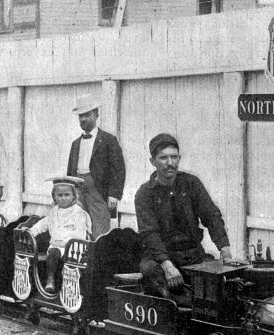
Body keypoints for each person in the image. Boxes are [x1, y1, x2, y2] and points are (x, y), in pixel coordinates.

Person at [134, 133, 231, 298]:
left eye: (174, 157)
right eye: (163, 158)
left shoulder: (192, 184)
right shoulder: (144, 194)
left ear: (179, 158)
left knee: (220, 286)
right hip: (160, 258)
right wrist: (167, 265)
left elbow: (212, 216)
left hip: (193, 255)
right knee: (151, 272)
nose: (170, 163)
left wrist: (225, 249)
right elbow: (150, 234)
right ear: (152, 161)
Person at [66, 94, 125, 240]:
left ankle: (99, 252)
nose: (83, 119)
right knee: (79, 225)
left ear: (96, 115)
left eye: (87, 115)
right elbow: (70, 170)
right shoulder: (75, 143)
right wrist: (70, 190)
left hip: (98, 190)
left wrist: (114, 195)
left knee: (100, 226)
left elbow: (118, 169)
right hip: (78, 189)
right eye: (80, 116)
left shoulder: (108, 140)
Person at [28, 176, 91, 293]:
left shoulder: (79, 213)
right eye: (59, 195)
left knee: (66, 257)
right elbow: (42, 225)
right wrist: (31, 231)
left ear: (74, 196)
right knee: (53, 252)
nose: (63, 198)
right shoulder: (53, 212)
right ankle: (50, 280)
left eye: (67, 195)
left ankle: (67, 285)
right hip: (56, 246)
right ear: (54, 197)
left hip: (74, 247)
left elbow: (79, 233)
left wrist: (65, 242)